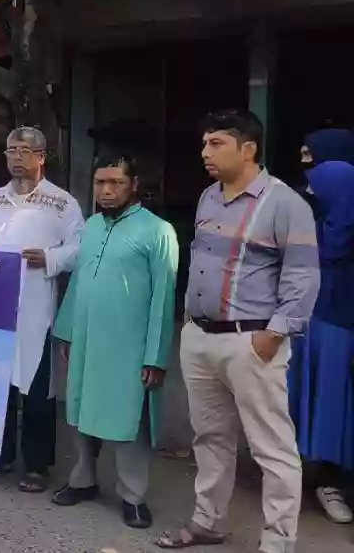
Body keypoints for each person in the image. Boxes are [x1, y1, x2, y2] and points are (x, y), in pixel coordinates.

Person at [157, 110, 319, 553]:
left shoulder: (285, 204)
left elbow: (303, 277)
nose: (205, 152)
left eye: (217, 144)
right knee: (210, 439)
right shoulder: (209, 196)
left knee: (272, 447)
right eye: (205, 143)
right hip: (200, 337)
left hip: (251, 342)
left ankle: (278, 541)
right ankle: (208, 522)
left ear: (248, 149)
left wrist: (274, 334)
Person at [51, 154, 178, 529]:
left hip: (129, 346)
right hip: (87, 340)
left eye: (115, 183)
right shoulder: (91, 227)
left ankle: (132, 496)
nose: (106, 191)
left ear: (134, 185)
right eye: (100, 183)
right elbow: (78, 282)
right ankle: (83, 479)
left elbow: (164, 298)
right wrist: (68, 330)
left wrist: (155, 356)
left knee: (127, 420)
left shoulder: (158, 231)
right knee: (80, 411)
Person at [0, 126, 84, 492]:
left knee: (37, 388)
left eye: (24, 151)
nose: (16, 158)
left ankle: (37, 465)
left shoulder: (62, 202)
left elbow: (80, 248)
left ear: (41, 157)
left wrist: (50, 257)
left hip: (38, 308)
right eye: (11, 151)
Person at [288, 148, 354, 524]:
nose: (308, 194)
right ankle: (297, 471)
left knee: (334, 403)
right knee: (297, 398)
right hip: (302, 325)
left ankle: (329, 479)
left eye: (316, 188)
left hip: (341, 328)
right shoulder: (308, 229)